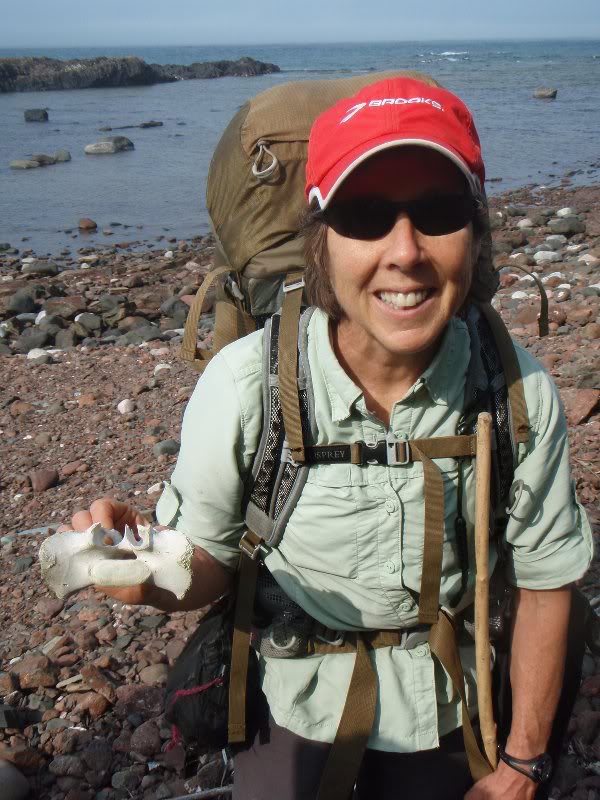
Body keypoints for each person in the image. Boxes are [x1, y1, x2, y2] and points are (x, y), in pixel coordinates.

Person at [63, 77, 592, 799]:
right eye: (365, 215)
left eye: (438, 212)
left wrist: (525, 764)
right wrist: (144, 574)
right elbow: (210, 562)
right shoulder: (247, 383)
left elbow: (544, 584)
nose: (405, 252)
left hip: (453, 711)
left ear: (476, 233)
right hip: (290, 706)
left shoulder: (516, 394)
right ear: (321, 241)